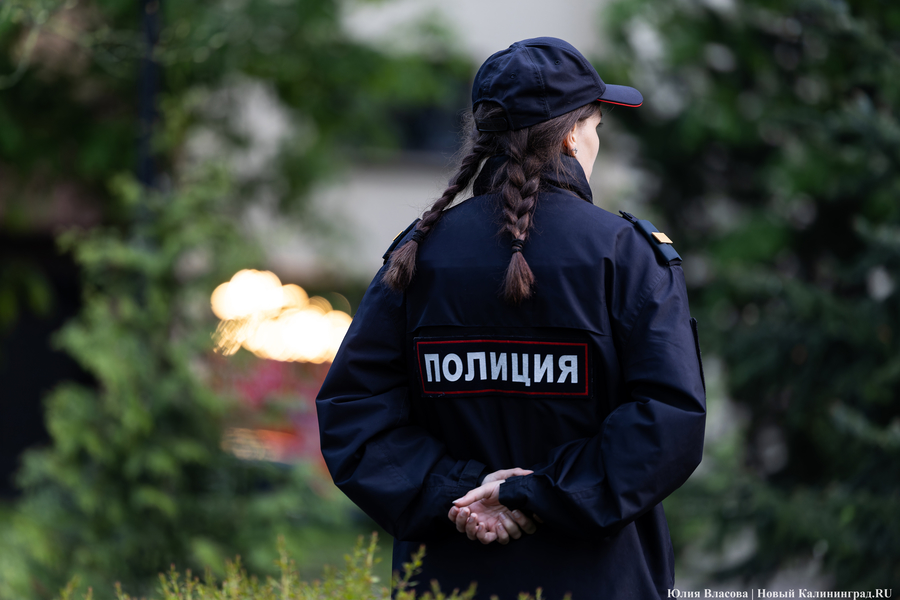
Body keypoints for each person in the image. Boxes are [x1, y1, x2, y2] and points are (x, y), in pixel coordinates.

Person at [316, 37, 706, 599]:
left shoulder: (417, 253)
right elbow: (669, 420)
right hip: (603, 580)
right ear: (571, 136)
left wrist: (466, 491)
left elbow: (354, 416)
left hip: (448, 582)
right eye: (596, 126)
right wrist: (537, 493)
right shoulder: (625, 253)